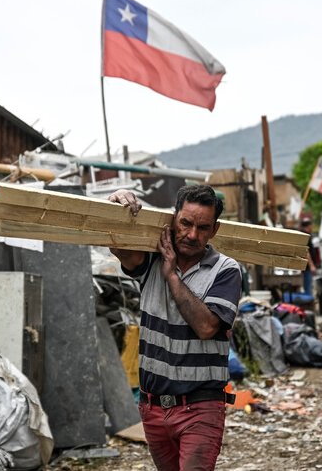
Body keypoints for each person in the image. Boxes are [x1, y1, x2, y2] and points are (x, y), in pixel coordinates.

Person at [108, 185, 242, 471]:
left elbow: (206, 326)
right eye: (186, 223)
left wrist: (170, 275)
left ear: (214, 230)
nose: (192, 235)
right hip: (153, 408)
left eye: (203, 227)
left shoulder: (226, 270)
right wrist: (116, 200)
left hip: (200, 407)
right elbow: (117, 245)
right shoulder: (152, 259)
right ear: (173, 219)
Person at [299, 217, 318, 296]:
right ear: (308, 226)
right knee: (308, 288)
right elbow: (306, 251)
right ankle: (308, 303)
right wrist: (312, 265)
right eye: (311, 225)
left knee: (308, 286)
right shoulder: (305, 236)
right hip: (307, 267)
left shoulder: (304, 235)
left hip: (305, 267)